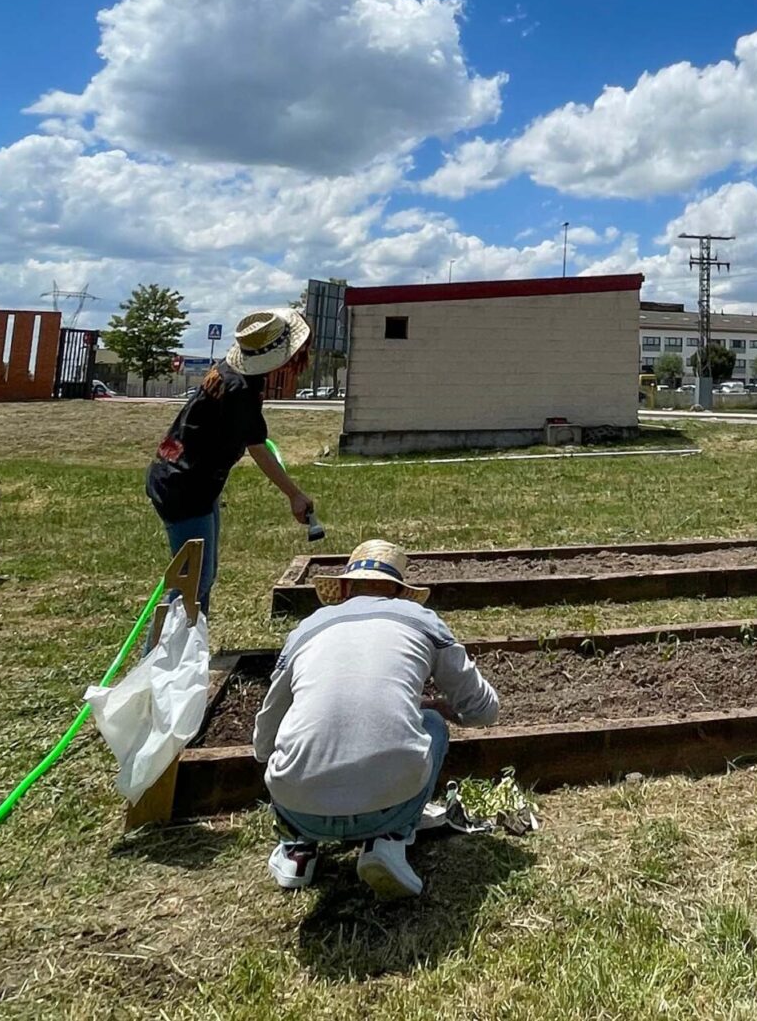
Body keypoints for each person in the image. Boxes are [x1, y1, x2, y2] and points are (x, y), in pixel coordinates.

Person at [254, 539, 501, 898]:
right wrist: (438, 707)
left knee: (296, 740)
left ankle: (297, 849)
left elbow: (264, 740)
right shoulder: (422, 622)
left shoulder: (306, 630)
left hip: (298, 805)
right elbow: (485, 709)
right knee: (430, 725)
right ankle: (390, 841)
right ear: (400, 591)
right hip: (390, 803)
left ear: (344, 587)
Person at [145, 308, 316, 612]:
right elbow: (259, 448)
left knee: (200, 578)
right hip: (183, 488)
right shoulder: (241, 390)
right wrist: (295, 495)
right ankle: (164, 657)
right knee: (192, 584)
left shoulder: (229, 371)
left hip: (190, 481)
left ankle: (191, 653)